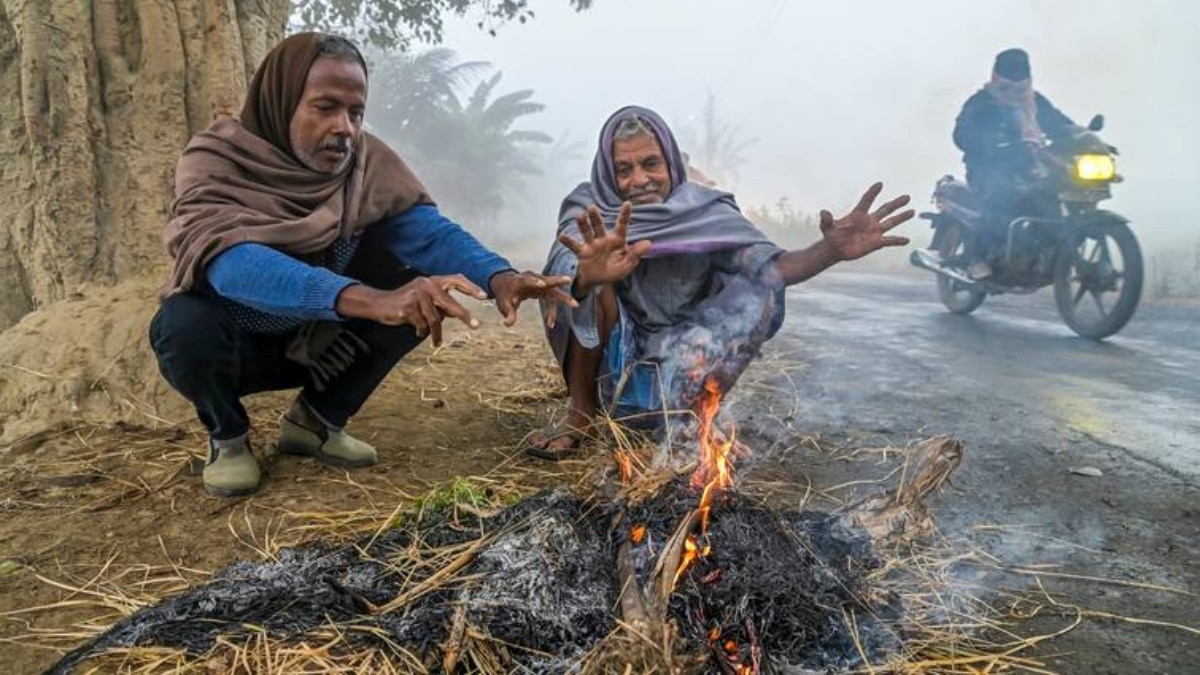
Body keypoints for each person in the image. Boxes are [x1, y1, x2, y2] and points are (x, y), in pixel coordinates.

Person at [149, 33, 572, 497]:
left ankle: (315, 423)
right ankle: (228, 438)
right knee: (180, 324)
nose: (345, 127)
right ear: (283, 100)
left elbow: (426, 233)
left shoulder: (366, 166)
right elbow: (231, 264)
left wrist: (499, 275)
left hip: (324, 346)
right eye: (325, 107)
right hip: (235, 347)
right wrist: (370, 300)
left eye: (355, 112)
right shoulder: (216, 160)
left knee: (420, 290)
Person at [526, 106, 912, 459]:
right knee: (586, 289)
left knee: (758, 293)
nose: (639, 179)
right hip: (614, 366)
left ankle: (698, 420)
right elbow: (559, 272)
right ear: (608, 173)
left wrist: (830, 251)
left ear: (672, 163)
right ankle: (582, 415)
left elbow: (772, 269)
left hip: (687, 365)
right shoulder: (589, 208)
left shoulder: (707, 209)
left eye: (650, 164)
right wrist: (587, 277)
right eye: (623, 169)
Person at [952, 48, 1075, 278]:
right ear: (997, 75)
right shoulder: (982, 103)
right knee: (1001, 196)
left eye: (1021, 73)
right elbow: (962, 134)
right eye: (1011, 73)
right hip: (987, 168)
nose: (1016, 82)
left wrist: (1082, 137)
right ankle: (977, 257)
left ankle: (1045, 254)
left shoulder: (1035, 102)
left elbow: (1060, 125)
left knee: (1053, 196)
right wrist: (991, 145)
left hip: (1030, 167)